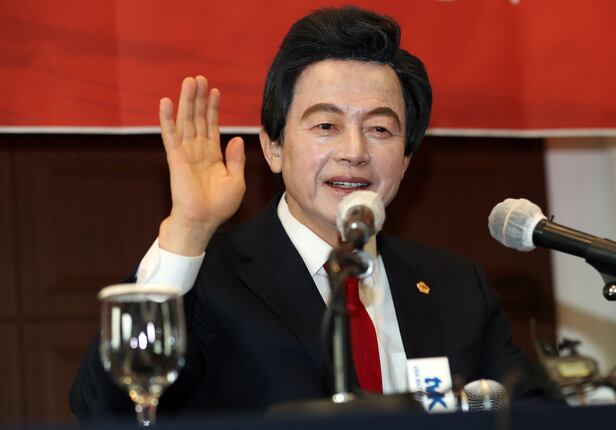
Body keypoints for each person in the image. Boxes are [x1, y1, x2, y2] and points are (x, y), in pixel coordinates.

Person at [70, 6, 533, 418]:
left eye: (379, 129)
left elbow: (533, 413)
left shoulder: (459, 288)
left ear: (407, 158)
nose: (355, 152)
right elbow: (104, 409)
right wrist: (188, 231)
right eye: (327, 125)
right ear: (273, 147)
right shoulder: (211, 282)